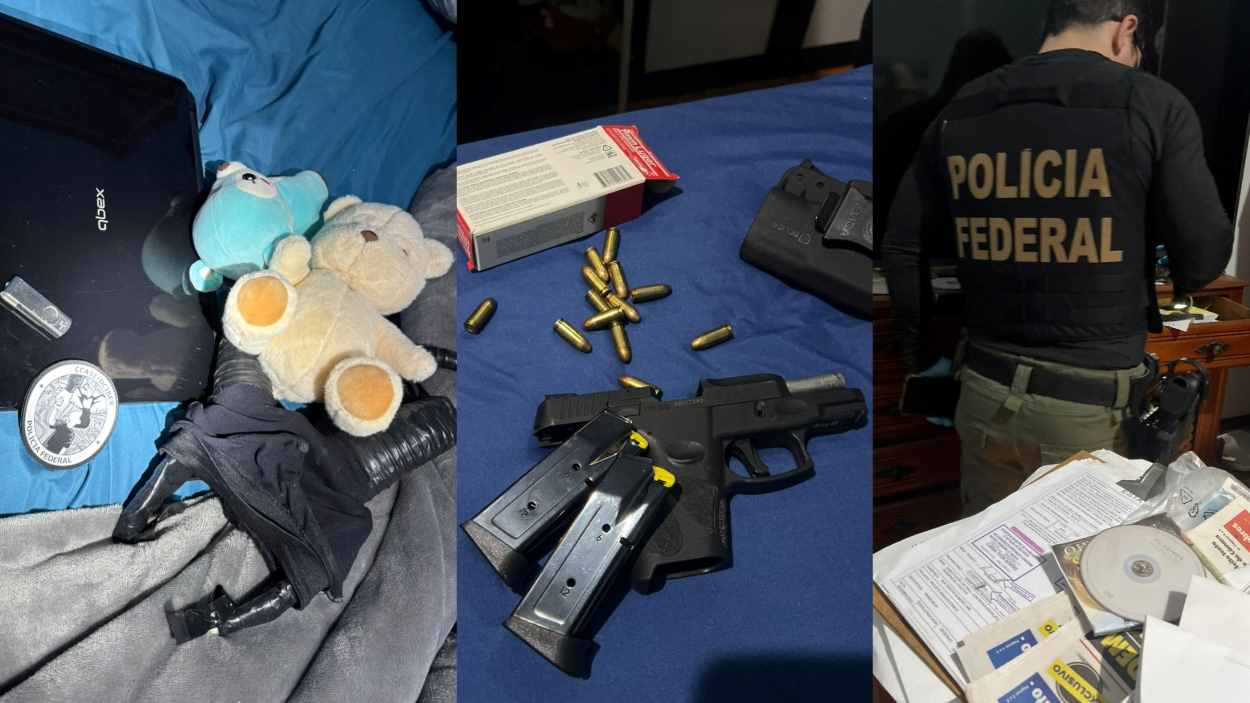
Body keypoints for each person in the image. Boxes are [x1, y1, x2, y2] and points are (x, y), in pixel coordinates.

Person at [883, 0, 1233, 514]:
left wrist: (918, 359)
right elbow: (1202, 263)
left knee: (989, 555)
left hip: (982, 392)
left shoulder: (963, 104)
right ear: (1126, 29)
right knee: (1076, 559)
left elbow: (900, 244)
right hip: (1087, 411)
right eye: (1137, 49)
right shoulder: (1150, 102)